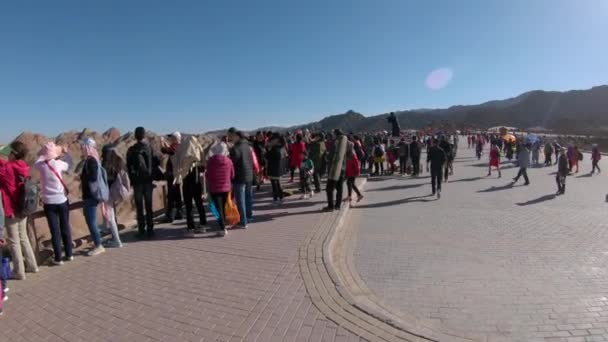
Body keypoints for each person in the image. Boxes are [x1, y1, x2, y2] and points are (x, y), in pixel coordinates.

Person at [0, 141, 39, 279]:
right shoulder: (23, 166)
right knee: (23, 237)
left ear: (12, 154)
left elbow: (3, 172)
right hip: (23, 208)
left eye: (9, 152)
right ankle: (32, 266)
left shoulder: (8, 169)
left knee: (14, 241)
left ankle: (19, 272)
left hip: (11, 209)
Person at [127, 127, 156, 238]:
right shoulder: (149, 148)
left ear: (135, 136)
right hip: (148, 182)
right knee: (149, 206)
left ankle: (141, 230)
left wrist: (131, 180)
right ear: (144, 136)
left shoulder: (131, 150)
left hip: (137, 183)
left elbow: (128, 166)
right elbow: (154, 162)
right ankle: (150, 230)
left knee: (139, 207)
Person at [79, 138, 106, 256]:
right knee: (90, 221)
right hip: (89, 196)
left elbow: (93, 177)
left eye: (83, 147)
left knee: (92, 222)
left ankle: (99, 245)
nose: (81, 149)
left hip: (90, 196)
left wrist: (82, 178)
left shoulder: (91, 161)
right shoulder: (90, 160)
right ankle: (97, 242)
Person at [206, 142, 234, 237]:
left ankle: (222, 227)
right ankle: (224, 223)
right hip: (226, 188)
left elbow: (207, 175)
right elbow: (232, 174)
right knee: (223, 206)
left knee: (217, 209)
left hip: (214, 188)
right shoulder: (229, 161)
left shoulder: (210, 161)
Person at [228, 129, 254, 228]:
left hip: (239, 176)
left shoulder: (236, 148)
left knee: (240, 199)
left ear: (237, 137)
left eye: (233, 136)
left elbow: (232, 162)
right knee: (248, 197)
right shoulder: (248, 146)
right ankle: (249, 216)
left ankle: (243, 221)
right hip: (249, 175)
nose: (231, 138)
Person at [101, 147, 126, 248]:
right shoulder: (118, 162)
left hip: (109, 193)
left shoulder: (105, 165)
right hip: (116, 192)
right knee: (110, 216)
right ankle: (114, 237)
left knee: (110, 217)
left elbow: (105, 179)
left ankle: (116, 240)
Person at [160, 132, 184, 222]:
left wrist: (161, 142)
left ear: (175, 139)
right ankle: (179, 213)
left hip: (173, 175)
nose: (169, 139)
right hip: (177, 174)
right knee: (177, 194)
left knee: (171, 195)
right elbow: (169, 150)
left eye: (171, 138)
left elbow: (164, 150)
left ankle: (170, 216)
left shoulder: (175, 148)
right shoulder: (180, 147)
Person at [323, 129, 348, 211]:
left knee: (329, 188)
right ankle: (338, 205)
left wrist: (327, 155)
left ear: (335, 134)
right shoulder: (347, 142)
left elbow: (331, 157)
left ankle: (331, 206)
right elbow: (349, 155)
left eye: (333, 134)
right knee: (339, 188)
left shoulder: (336, 143)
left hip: (334, 169)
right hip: (343, 168)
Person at [182, 161, 207, 237]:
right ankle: (203, 225)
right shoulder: (197, 160)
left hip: (187, 185)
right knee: (200, 205)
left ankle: (190, 228)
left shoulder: (183, 159)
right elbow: (203, 169)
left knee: (189, 207)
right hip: (196, 184)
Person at [266, 134, 286, 204]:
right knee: (277, 184)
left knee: (275, 185)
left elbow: (268, 157)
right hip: (278, 169)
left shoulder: (275, 148)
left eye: (272, 140)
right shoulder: (281, 147)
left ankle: (277, 199)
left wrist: (268, 151)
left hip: (274, 169)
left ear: (276, 140)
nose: (270, 141)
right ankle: (280, 198)